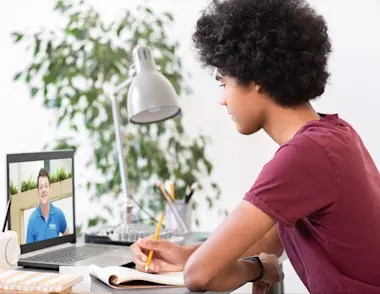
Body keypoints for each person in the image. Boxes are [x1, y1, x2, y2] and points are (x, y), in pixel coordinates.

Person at [131, 0, 380, 293]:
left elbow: (199, 276)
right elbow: (271, 239)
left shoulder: (305, 154)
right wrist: (185, 254)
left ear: (256, 77)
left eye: (223, 82)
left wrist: (258, 268)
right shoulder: (336, 135)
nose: (222, 98)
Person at [26, 168, 69, 243]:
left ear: (50, 189)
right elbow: (29, 252)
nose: (43, 190)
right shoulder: (32, 221)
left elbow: (68, 239)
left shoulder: (59, 214)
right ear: (38, 191)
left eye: (46, 186)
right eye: (41, 187)